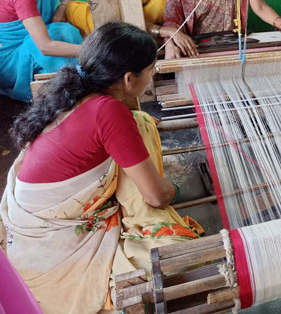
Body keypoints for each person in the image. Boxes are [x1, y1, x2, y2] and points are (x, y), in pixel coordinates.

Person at [0, 22, 203, 314]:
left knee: (142, 122)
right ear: (130, 79)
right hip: (50, 233)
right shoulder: (108, 111)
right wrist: (174, 188)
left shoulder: (73, 94)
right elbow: (157, 197)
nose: (152, 76)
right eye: (151, 71)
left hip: (28, 212)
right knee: (171, 250)